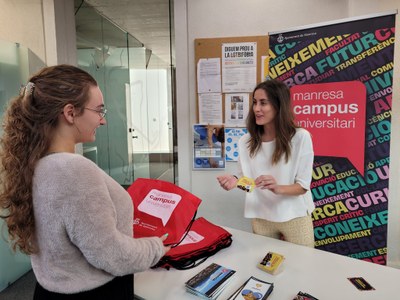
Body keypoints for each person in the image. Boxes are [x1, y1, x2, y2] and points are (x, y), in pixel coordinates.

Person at [0, 64, 170, 299]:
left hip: (50, 290)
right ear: (70, 113)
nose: (103, 121)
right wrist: (156, 247)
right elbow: (110, 255)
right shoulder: (72, 169)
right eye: (99, 110)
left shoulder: (37, 164)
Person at [217, 79, 315, 248]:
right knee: (265, 266)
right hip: (261, 216)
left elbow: (303, 186)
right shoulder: (245, 141)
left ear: (279, 106)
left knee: (304, 263)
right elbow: (251, 185)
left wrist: (278, 188)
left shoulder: (300, 137)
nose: (256, 109)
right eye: (255, 102)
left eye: (263, 103)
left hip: (295, 215)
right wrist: (237, 182)